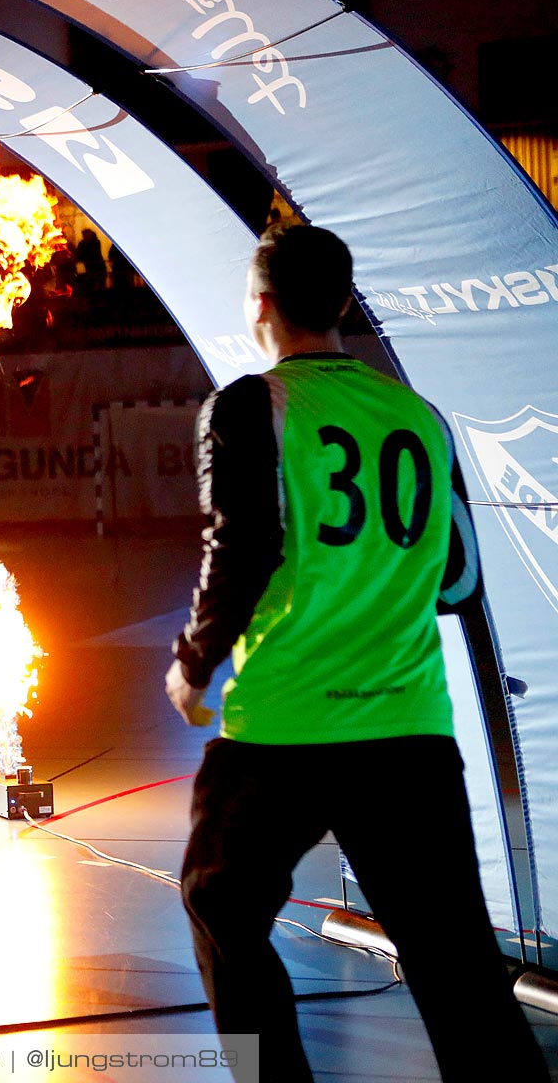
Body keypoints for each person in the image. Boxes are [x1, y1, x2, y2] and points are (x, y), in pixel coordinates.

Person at [165, 224, 547, 1082]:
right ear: (343, 304)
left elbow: (242, 546)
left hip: (285, 730)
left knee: (220, 902)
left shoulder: (251, 405)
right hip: (408, 730)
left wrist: (194, 660)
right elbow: (455, 580)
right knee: (458, 970)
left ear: (259, 307)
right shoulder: (420, 418)